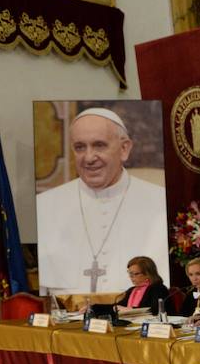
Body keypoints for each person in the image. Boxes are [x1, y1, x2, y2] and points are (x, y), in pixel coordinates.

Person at [36, 107, 169, 295]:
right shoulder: (45, 204)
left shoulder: (160, 202)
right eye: (80, 147)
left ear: (124, 149)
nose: (89, 158)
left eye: (99, 145)